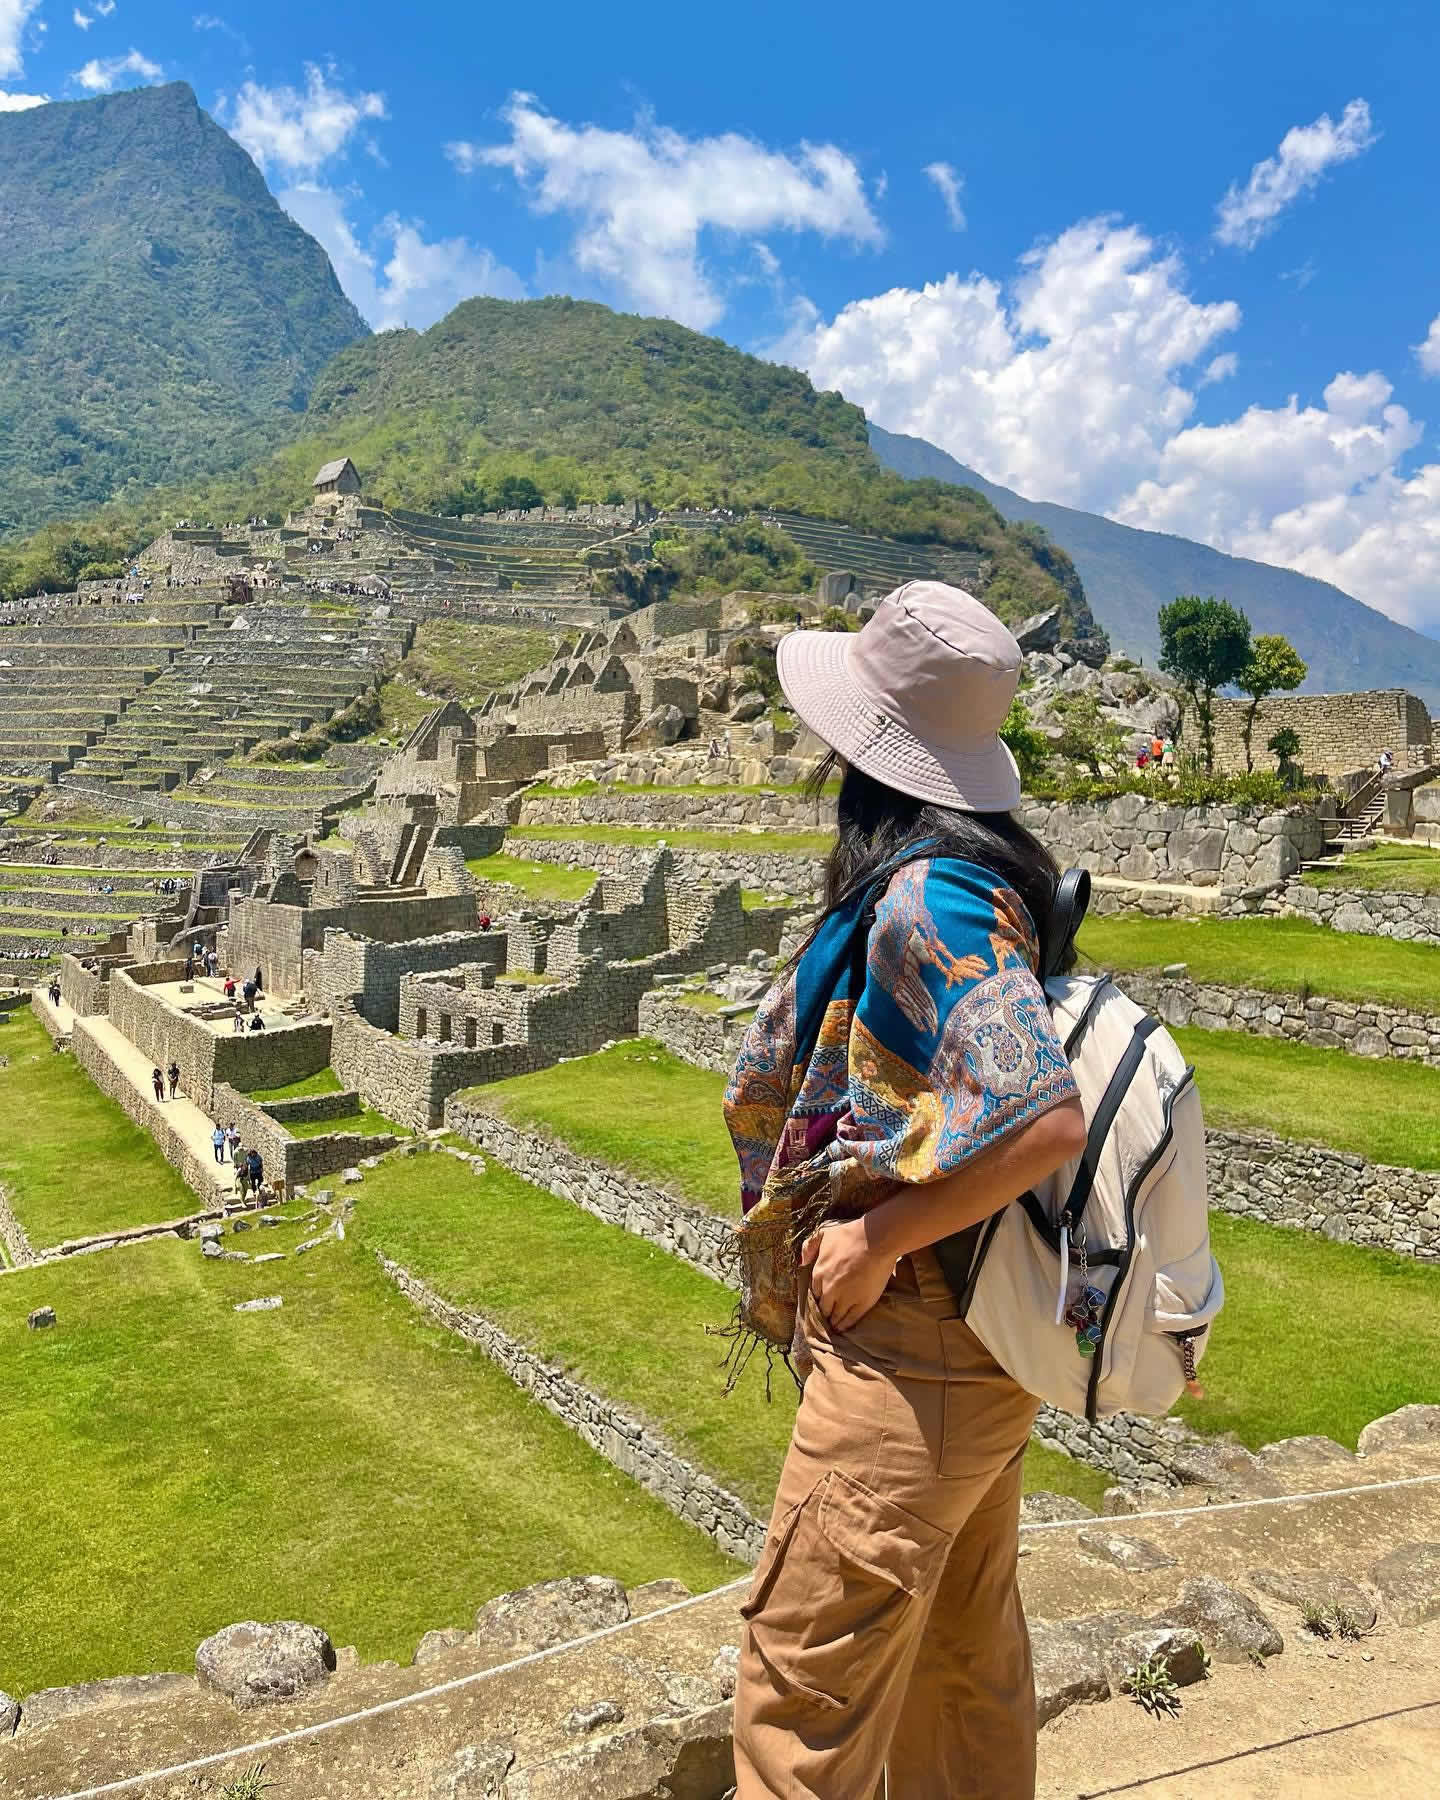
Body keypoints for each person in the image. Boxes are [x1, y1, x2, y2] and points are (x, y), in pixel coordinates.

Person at [724, 581, 1087, 1800]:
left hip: (918, 1344)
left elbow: (1042, 1118)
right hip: (971, 1342)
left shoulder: (934, 897)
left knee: (799, 1694)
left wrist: (880, 1235)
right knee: (959, 1662)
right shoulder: (966, 877)